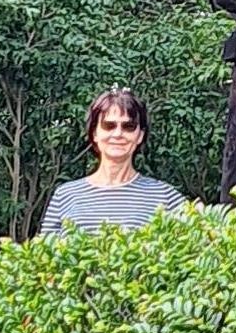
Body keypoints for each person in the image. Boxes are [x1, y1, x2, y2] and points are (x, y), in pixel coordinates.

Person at [38, 86, 190, 235]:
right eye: (108, 126)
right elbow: (43, 257)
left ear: (140, 136)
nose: (118, 134)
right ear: (94, 133)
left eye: (128, 126)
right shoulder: (64, 195)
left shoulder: (165, 197)